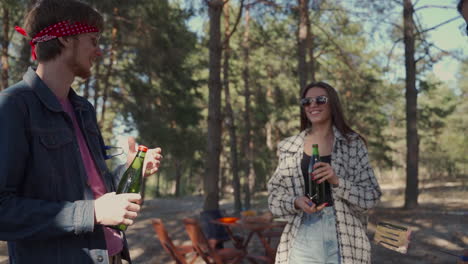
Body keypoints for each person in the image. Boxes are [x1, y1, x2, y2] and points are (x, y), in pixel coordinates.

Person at [0, 0, 162, 263]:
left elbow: (98, 191)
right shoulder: (13, 107)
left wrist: (131, 169)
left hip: (112, 256)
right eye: (94, 40)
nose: (99, 52)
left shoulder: (83, 109)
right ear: (65, 39)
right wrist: (92, 213)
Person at [267, 82, 382, 264]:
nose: (313, 105)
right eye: (307, 101)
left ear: (332, 104)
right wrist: (295, 202)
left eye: (320, 100)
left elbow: (371, 196)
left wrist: (337, 182)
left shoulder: (352, 144)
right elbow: (273, 199)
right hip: (304, 232)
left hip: (345, 236)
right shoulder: (289, 147)